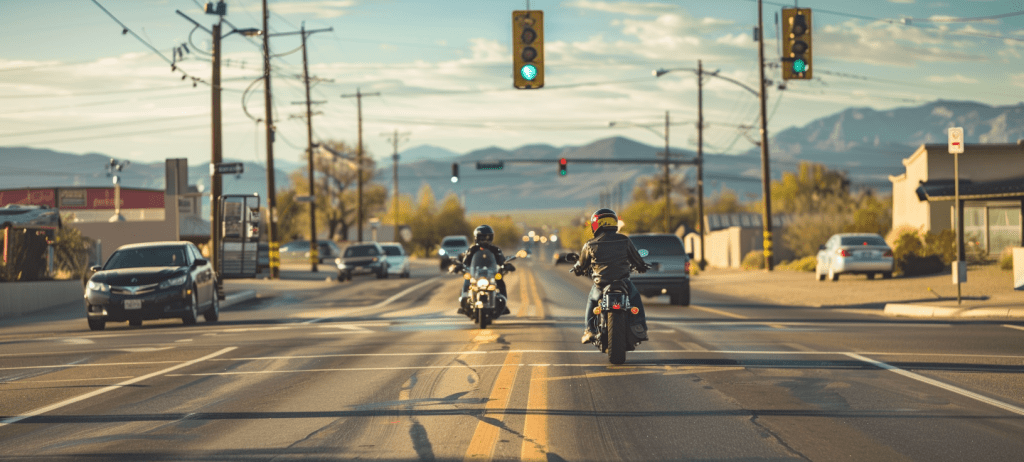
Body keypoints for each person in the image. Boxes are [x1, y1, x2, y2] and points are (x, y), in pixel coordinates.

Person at [571, 208, 650, 345]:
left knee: (592, 301)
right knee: (635, 297)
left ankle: (589, 330)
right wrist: (642, 266)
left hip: (601, 283)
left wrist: (577, 269)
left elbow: (582, 265)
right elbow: (637, 259)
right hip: (623, 282)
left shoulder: (590, 244)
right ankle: (639, 327)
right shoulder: (624, 240)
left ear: (596, 225)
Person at [453, 225, 512, 315]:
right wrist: (459, 266)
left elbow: (502, 261)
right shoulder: (472, 250)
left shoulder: (495, 250)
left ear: (491, 238)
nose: (484, 240)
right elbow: (465, 262)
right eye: (482, 237)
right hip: (476, 274)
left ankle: (502, 304)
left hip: (491, 273)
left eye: (487, 237)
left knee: (500, 281)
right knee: (467, 280)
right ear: (476, 237)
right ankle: (464, 302)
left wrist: (506, 265)